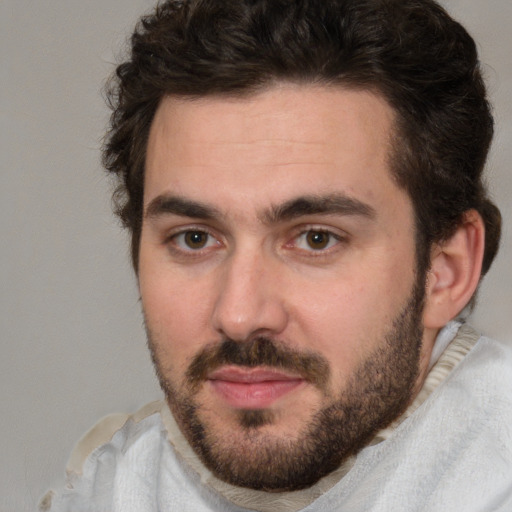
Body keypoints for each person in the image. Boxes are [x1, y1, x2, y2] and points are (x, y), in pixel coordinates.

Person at [40, 0, 512, 510]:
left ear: (446, 271)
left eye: (316, 239)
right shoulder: (108, 491)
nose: (240, 316)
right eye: (194, 238)